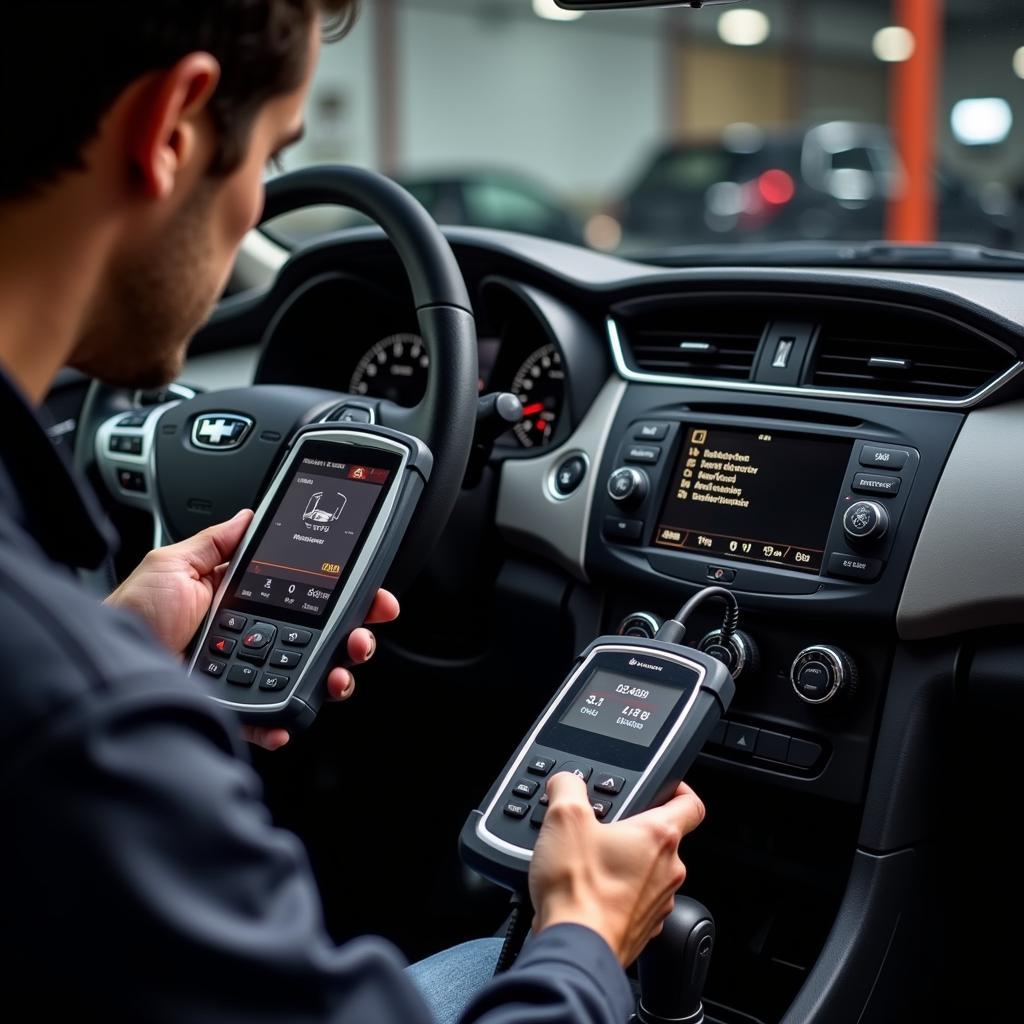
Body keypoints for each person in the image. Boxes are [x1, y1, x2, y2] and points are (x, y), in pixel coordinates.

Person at [0, 2, 706, 1021]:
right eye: (274, 156)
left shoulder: (69, 692)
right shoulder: (87, 732)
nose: (255, 211)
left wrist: (116, 653)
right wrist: (585, 933)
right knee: (513, 958)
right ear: (173, 127)